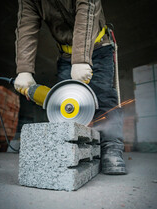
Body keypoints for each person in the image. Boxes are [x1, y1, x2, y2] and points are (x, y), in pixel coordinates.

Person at [14, 0, 126, 174]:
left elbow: (88, 9)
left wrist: (81, 59)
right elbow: (26, 27)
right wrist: (24, 70)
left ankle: (111, 149)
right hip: (66, 55)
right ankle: (75, 151)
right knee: (66, 106)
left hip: (98, 48)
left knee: (103, 97)